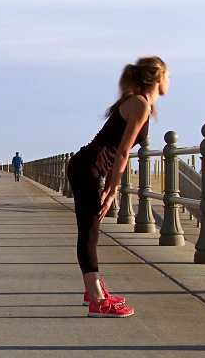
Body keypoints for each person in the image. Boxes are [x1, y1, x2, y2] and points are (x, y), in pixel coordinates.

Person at [67, 56, 169, 318]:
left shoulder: (139, 104)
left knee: (92, 230)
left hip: (89, 167)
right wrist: (113, 190)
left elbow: (118, 152)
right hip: (86, 167)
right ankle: (96, 301)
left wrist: (111, 183)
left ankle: (93, 291)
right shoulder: (139, 104)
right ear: (158, 78)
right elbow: (123, 152)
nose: (170, 81)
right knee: (89, 231)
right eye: (168, 76)